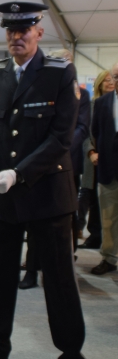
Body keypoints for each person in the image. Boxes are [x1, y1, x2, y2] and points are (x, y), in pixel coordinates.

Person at [0, 1, 87, 359]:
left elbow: (61, 138)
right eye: (10, 30)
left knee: (59, 285)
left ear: (39, 33)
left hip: (47, 193)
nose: (16, 36)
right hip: (0, 197)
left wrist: (20, 172)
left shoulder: (59, 72)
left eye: (24, 29)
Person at [20, 49, 91, 289]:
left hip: (63, 164)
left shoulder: (82, 94)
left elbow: (80, 127)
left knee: (61, 224)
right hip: (39, 164)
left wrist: (64, 147)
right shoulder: (42, 88)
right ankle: (30, 270)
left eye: (65, 61)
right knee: (33, 221)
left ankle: (61, 269)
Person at [89, 62, 118, 275]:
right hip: (108, 170)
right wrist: (93, 153)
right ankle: (109, 258)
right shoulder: (102, 103)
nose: (117, 81)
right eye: (115, 76)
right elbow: (95, 132)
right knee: (108, 219)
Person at [80, 70, 115, 248]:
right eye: (107, 80)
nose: (111, 82)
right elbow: (88, 132)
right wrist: (92, 151)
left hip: (108, 161)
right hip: (96, 160)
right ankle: (94, 236)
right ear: (99, 83)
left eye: (113, 79)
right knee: (92, 198)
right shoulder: (95, 104)